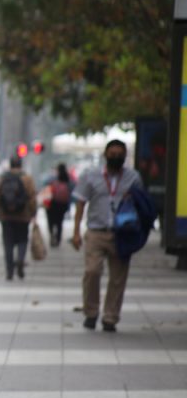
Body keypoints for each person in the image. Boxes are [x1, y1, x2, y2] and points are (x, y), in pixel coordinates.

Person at [71, 139, 143, 332]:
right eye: (112, 154)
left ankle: (110, 317)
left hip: (122, 233)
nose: (116, 157)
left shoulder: (133, 178)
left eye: (120, 154)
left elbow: (141, 204)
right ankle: (91, 312)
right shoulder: (90, 175)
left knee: (118, 277)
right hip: (96, 231)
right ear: (105, 155)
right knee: (92, 272)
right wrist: (76, 231)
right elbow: (80, 204)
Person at [0, 157, 36, 280]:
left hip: (6, 216)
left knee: (8, 243)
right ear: (21, 165)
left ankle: (9, 271)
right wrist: (33, 212)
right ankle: (20, 260)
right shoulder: (27, 179)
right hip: (23, 216)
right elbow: (32, 197)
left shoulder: (2, 178)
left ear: (10, 165)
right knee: (22, 240)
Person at [44, 163, 72, 247]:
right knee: (59, 223)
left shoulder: (52, 177)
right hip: (62, 205)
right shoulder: (68, 178)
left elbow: (46, 185)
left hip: (52, 204)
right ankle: (58, 239)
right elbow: (71, 192)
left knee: (51, 222)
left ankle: (52, 235)